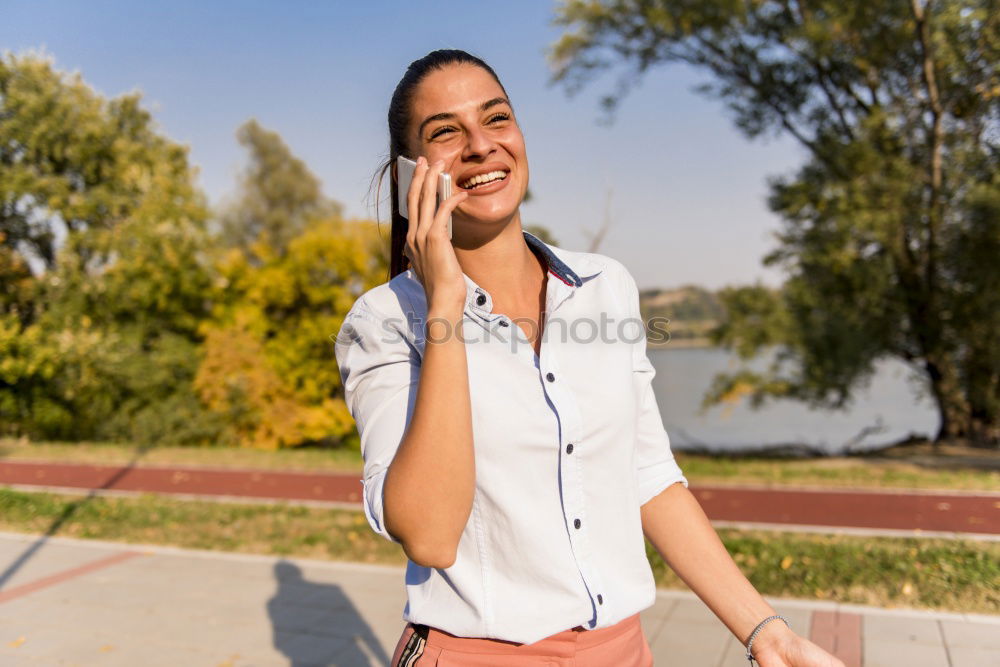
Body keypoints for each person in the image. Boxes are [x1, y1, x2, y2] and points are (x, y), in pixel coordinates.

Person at [334, 49, 844, 667]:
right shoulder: (385, 322)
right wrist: (445, 300)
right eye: (446, 131)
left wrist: (769, 633)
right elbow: (431, 534)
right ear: (406, 175)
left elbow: (648, 477)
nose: (480, 146)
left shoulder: (607, 287)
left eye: (496, 119)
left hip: (623, 651)